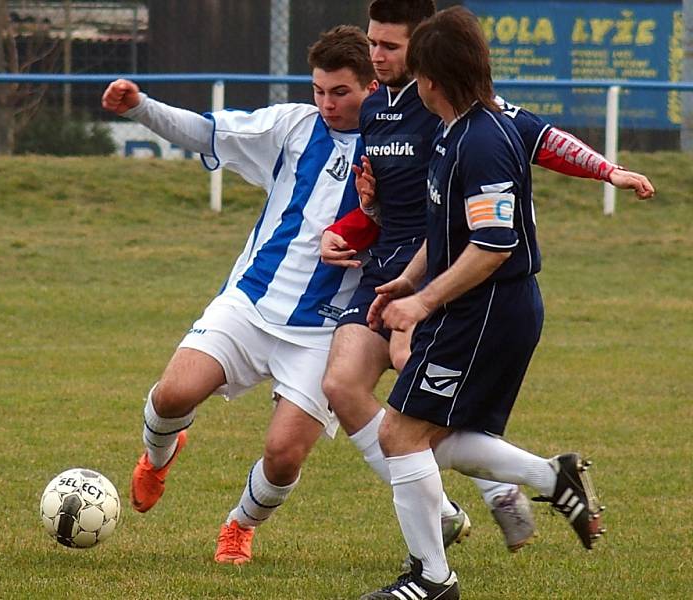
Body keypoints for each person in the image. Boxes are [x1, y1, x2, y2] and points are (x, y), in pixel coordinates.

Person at [320, 0, 654, 554]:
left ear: (425, 60)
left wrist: (607, 170)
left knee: (409, 422)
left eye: (389, 46)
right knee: (358, 395)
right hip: (407, 270)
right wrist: (362, 228)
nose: (375, 55)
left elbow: (535, 149)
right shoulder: (383, 111)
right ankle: (520, 488)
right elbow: (405, 205)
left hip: (465, 289)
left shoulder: (477, 124)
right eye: (371, 42)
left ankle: (445, 549)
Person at [100, 26, 379, 566]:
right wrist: (139, 107)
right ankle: (158, 457)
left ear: (371, 85)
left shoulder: (397, 147)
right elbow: (205, 133)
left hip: (324, 330)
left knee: (283, 455)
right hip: (251, 303)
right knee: (172, 395)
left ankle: (239, 526)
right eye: (319, 90)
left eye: (339, 92)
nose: (326, 103)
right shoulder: (293, 126)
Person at [360, 8, 606, 598]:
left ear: (433, 81)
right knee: (438, 439)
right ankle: (553, 478)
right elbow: (446, 231)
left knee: (399, 435)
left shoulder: (484, 142)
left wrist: (421, 306)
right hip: (481, 306)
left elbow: (493, 247)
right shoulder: (455, 130)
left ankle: (431, 579)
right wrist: (408, 282)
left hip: (486, 308)